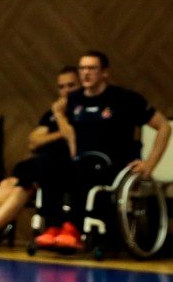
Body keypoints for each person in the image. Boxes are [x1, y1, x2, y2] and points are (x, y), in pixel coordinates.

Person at [29, 51, 168, 251]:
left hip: (112, 164)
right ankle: (52, 226)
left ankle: (73, 228)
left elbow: (164, 126)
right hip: (81, 159)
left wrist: (149, 164)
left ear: (104, 73)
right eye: (82, 68)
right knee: (48, 163)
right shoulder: (74, 100)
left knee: (84, 168)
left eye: (92, 68)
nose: (86, 73)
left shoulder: (125, 99)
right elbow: (69, 136)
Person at [0, 67, 80, 240]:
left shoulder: (78, 112)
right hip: (41, 166)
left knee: (26, 178)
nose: (66, 91)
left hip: (64, 166)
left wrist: (59, 118)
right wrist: (57, 131)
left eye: (71, 85)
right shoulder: (51, 115)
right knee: (11, 182)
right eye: (62, 87)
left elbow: (72, 137)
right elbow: (33, 141)